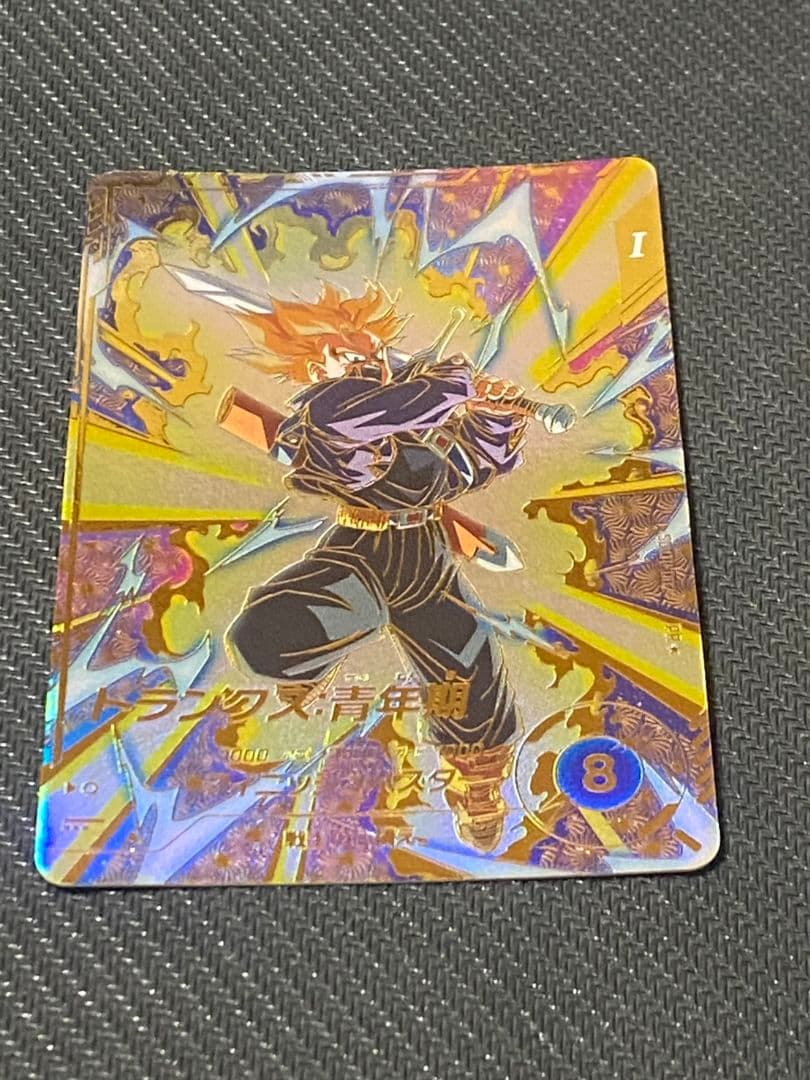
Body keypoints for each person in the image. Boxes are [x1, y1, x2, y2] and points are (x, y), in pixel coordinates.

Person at [228, 282, 572, 850]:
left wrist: (492, 418)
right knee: (265, 633)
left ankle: (477, 784)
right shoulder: (328, 413)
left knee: (471, 668)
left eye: (362, 344)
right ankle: (312, 663)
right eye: (338, 352)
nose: (359, 358)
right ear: (315, 366)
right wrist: (452, 386)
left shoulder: (410, 417)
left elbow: (463, 469)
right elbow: (370, 418)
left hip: (426, 557)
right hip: (359, 554)